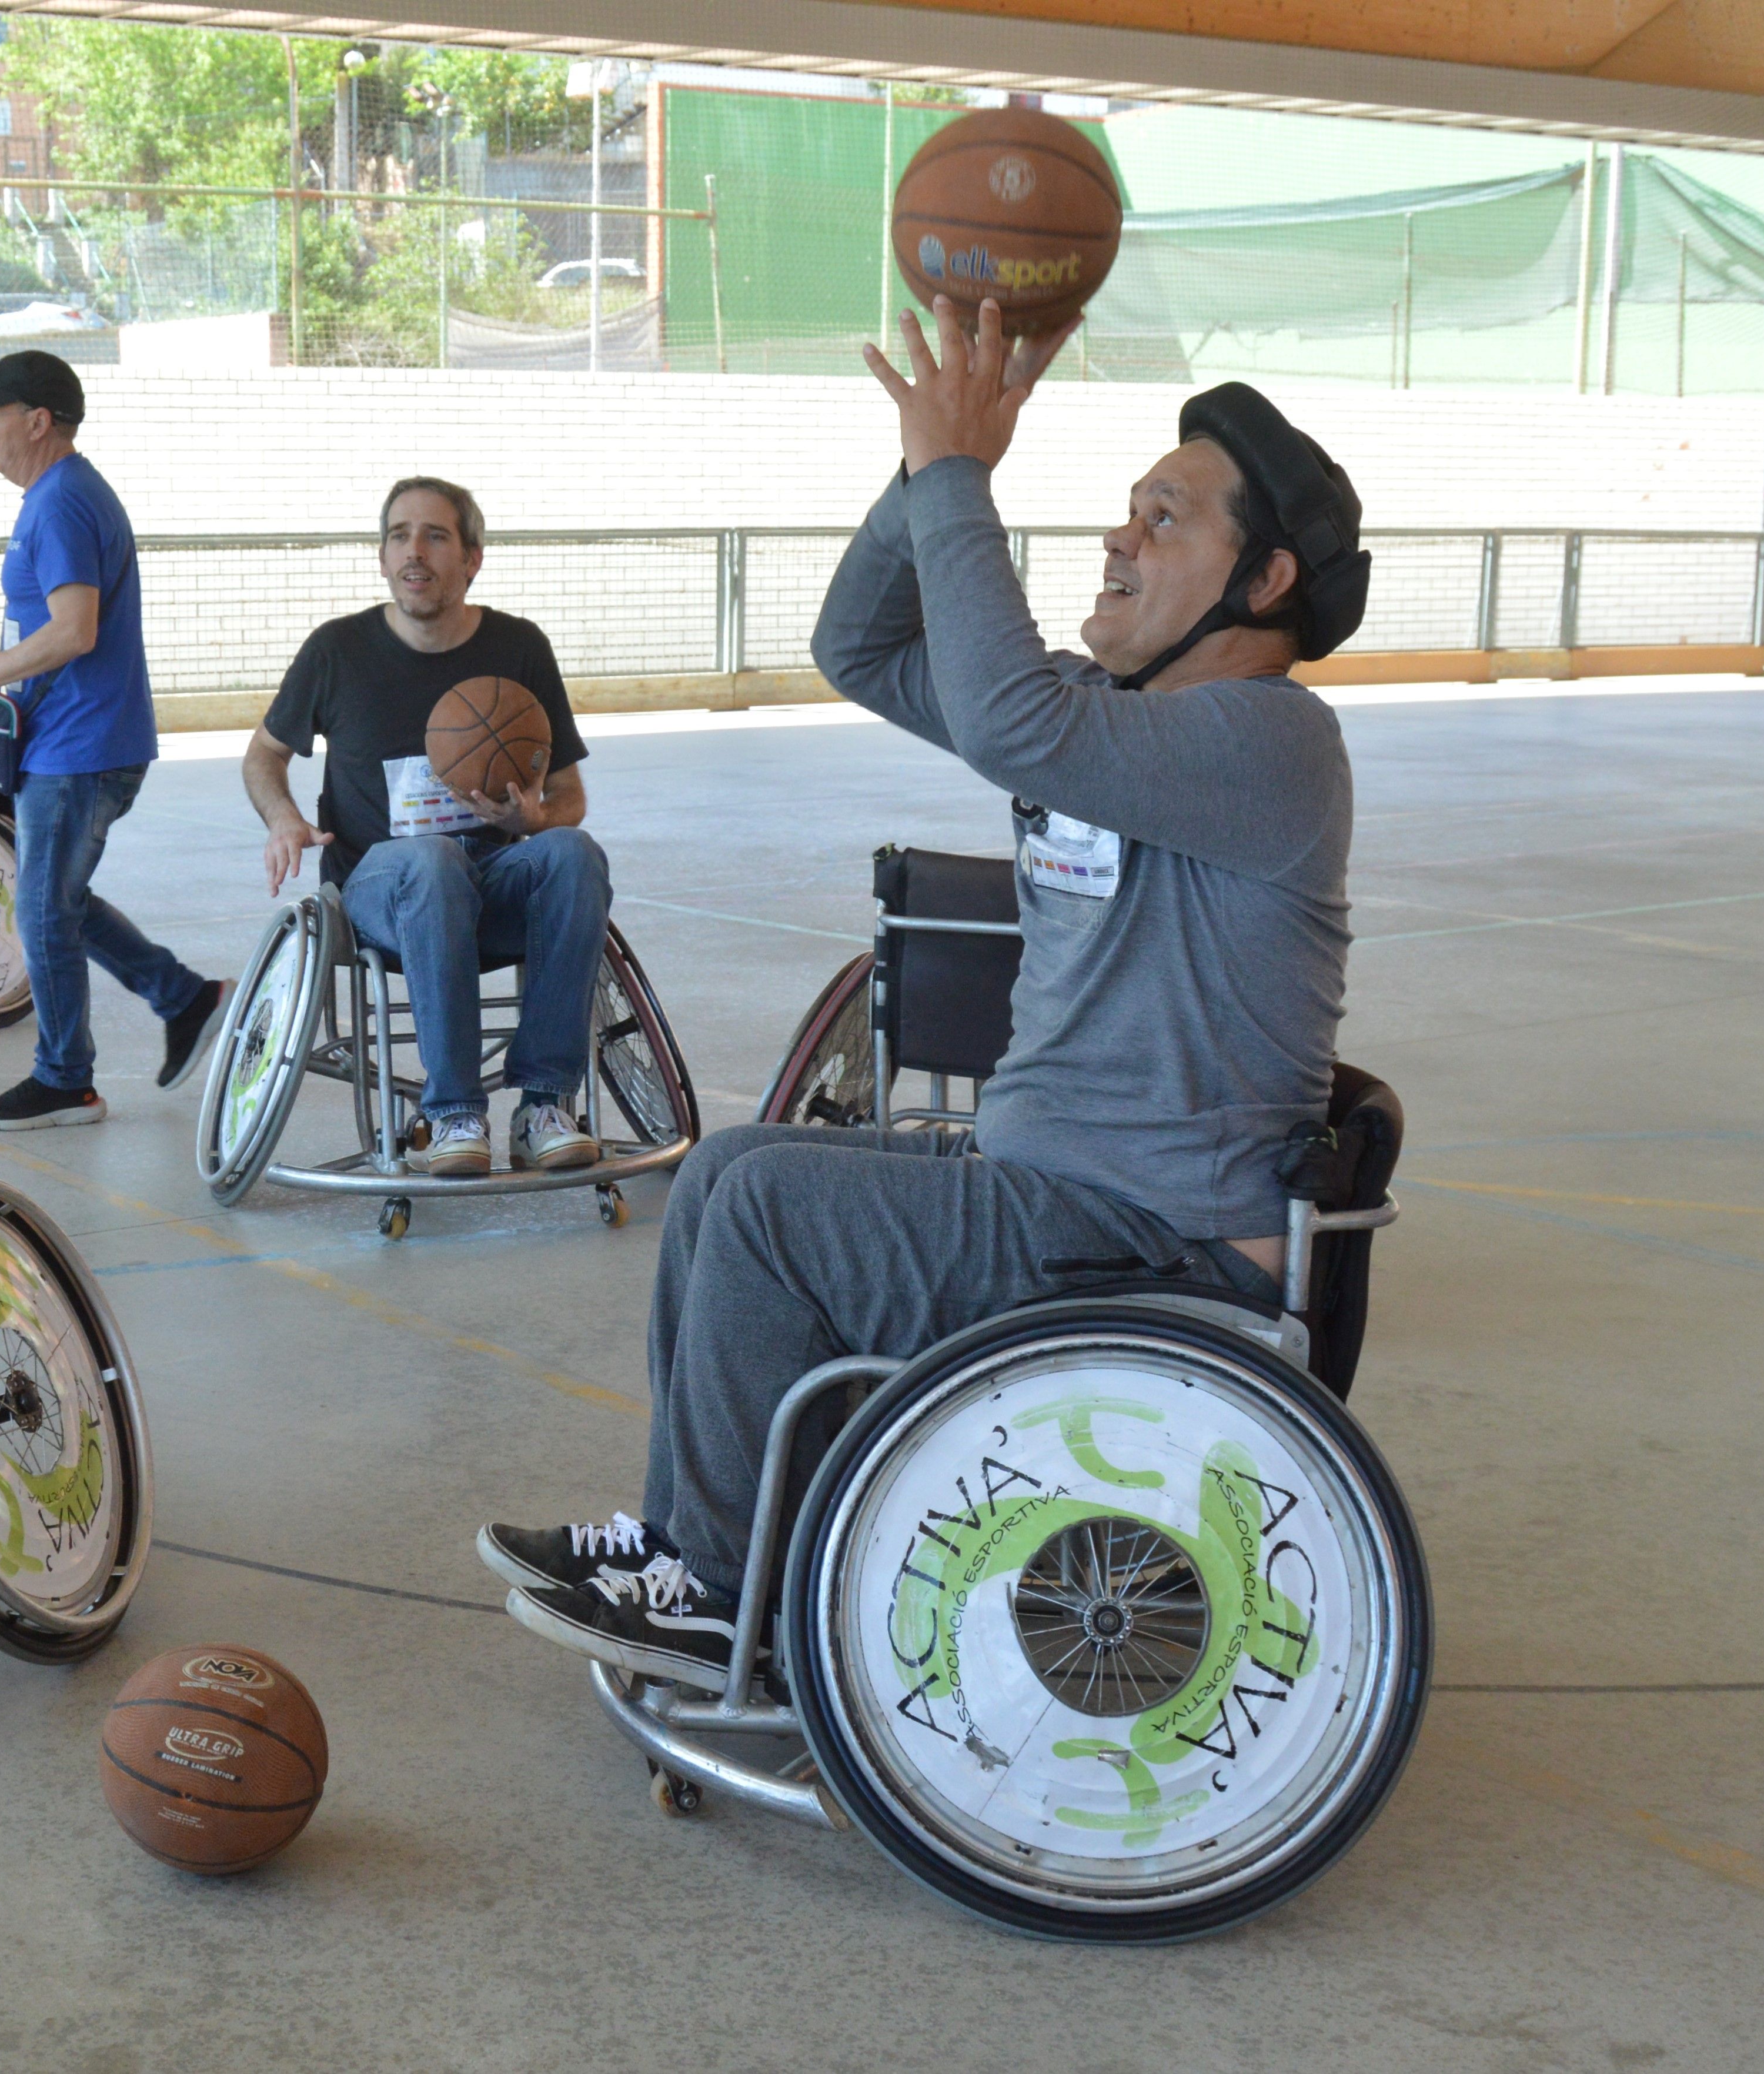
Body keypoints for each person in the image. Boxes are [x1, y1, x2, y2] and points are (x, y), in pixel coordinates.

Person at [480, 298, 1374, 1692]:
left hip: (1147, 1240)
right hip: (1054, 1203)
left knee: (771, 1210)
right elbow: (859, 645)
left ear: (1260, 583)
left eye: (1162, 517)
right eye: (1127, 509)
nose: (1115, 537)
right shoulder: (1112, 724)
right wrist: (923, 476)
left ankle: (721, 1598)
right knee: (726, 1174)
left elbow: (1015, 715)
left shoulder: (1268, 742)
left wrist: (959, 473)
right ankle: (687, 1546)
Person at [243, 478, 609, 1177]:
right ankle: (454, 1113)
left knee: (572, 854)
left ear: (472, 558)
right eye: (398, 535)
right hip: (379, 892)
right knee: (433, 858)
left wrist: (531, 819)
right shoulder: (337, 650)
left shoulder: (519, 647)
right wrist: (284, 818)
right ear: (382, 558)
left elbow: (569, 795)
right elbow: (265, 754)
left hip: (490, 883)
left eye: (436, 536)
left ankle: (543, 1105)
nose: (415, 552)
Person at [0, 350, 223, 1131]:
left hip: (83, 745)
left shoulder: (64, 503)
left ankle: (65, 1078)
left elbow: (74, 631)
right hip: (64, 739)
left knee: (43, 908)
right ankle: (183, 996)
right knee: (54, 898)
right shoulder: (54, 497)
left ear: (37, 421)